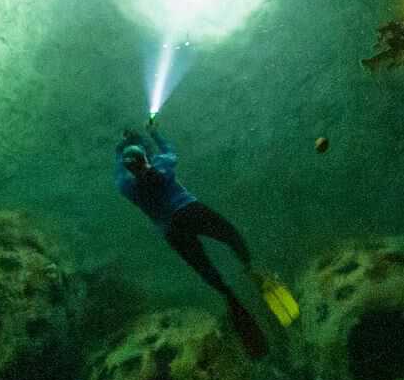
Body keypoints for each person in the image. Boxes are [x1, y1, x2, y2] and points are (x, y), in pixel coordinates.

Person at [115, 121, 288, 358]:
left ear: (129, 168)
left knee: (206, 269)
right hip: (189, 210)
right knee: (230, 235)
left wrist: (121, 147)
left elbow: (120, 172)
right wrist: (152, 134)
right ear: (146, 158)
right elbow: (169, 150)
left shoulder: (128, 188)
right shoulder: (162, 166)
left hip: (172, 231)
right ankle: (251, 268)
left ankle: (231, 300)